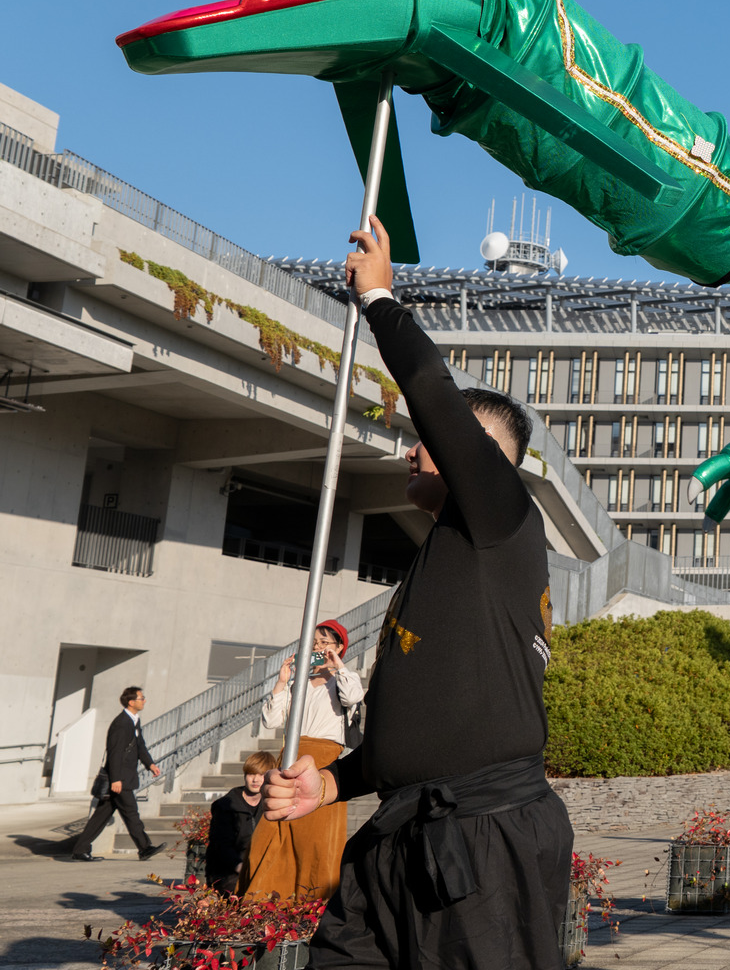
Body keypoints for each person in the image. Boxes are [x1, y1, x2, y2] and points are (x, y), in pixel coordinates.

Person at [263, 216, 571, 969]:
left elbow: (434, 397)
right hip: (402, 836)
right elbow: (427, 727)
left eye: (430, 439)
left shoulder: (504, 519)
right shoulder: (446, 558)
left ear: (484, 458)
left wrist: (379, 303)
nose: (411, 443)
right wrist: (332, 783)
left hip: (482, 843)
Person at [248, 619, 364, 902]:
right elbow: (271, 720)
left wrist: (339, 666)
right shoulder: (298, 684)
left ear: (338, 648)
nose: (319, 648)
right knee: (270, 832)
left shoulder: (343, 680)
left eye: (325, 643)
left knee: (314, 840)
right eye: (314, 643)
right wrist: (282, 681)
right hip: (289, 757)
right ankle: (260, 902)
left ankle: (310, 906)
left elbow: (354, 697)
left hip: (323, 762)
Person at [69, 686, 163, 862]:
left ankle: (80, 849)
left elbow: (139, 746)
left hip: (123, 777)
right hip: (121, 779)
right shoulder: (121, 723)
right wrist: (116, 779)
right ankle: (144, 848)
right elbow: (115, 753)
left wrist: (150, 764)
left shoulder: (134, 720)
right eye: (141, 698)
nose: (144, 701)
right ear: (131, 702)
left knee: (100, 817)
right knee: (131, 813)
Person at [208, 751, 275, 895]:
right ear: (245, 776)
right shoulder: (225, 806)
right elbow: (221, 846)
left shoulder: (271, 805)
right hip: (230, 872)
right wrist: (241, 866)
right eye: (251, 774)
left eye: (261, 775)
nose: (255, 780)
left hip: (262, 869)